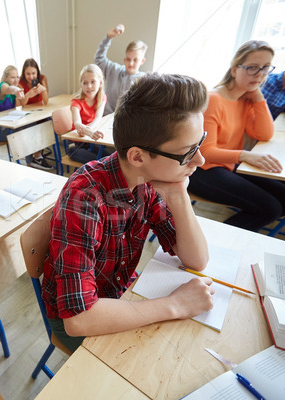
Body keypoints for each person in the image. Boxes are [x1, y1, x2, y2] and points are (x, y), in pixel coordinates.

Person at [42, 73, 214, 352]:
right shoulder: (85, 197)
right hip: (80, 316)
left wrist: (178, 193)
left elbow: (197, 259)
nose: (200, 159)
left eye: (200, 143)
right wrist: (175, 304)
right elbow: (77, 319)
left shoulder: (147, 181)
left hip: (120, 296)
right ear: (137, 156)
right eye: (187, 152)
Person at [189, 40, 285, 232]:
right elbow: (205, 152)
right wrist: (244, 155)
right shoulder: (213, 99)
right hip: (202, 170)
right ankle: (216, 244)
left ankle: (232, 236)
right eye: (252, 68)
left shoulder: (245, 98)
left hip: (228, 165)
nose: (259, 75)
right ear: (234, 70)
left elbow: (265, 133)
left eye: (265, 68)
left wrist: (258, 97)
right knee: (270, 209)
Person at [94, 24, 147, 115]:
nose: (130, 63)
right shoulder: (114, 70)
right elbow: (99, 59)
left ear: (142, 61)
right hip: (104, 116)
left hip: (125, 122)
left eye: (135, 60)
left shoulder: (143, 80)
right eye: (128, 59)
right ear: (124, 59)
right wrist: (108, 38)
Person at [68, 64, 112, 164]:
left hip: (89, 142)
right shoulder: (76, 102)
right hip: (75, 145)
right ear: (81, 85)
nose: (89, 86)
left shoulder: (102, 98)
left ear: (100, 83)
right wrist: (90, 133)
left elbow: (98, 118)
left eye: (93, 82)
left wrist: (90, 132)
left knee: (111, 159)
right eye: (85, 83)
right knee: (100, 163)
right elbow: (77, 123)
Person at [17, 58, 53, 170]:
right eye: (28, 74)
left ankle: (38, 156)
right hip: (27, 114)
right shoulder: (20, 84)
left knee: (48, 123)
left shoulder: (42, 79)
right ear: (24, 73)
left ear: (37, 72)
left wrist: (44, 90)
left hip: (38, 111)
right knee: (31, 127)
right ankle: (34, 158)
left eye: (33, 73)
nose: (31, 77)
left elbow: (46, 101)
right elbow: (21, 105)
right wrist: (27, 95)